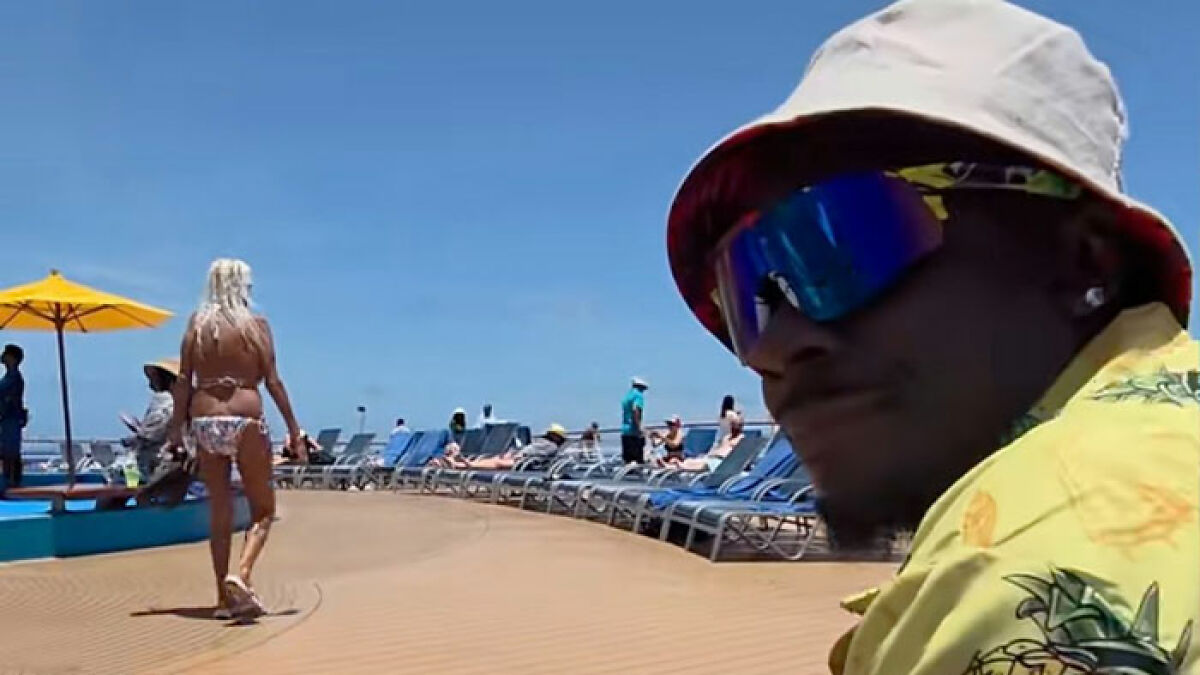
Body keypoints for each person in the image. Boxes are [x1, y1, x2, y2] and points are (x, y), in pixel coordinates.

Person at [664, 2, 1197, 672]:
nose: (770, 347)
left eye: (846, 238)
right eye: (745, 293)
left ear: (1083, 261)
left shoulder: (1030, 571)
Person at [167, 259, 306, 621]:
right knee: (263, 509)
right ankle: (241, 575)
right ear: (242, 286)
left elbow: (183, 381)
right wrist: (294, 429)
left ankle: (221, 600)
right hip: (245, 420)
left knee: (220, 511)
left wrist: (175, 429)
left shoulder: (196, 326)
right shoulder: (255, 327)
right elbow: (273, 381)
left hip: (204, 421)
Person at [121, 359, 179, 482]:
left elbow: (149, 436)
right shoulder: (185, 402)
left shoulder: (164, 401)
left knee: (114, 481)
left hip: (156, 463)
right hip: (173, 462)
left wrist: (136, 435)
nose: (150, 384)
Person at [441, 423, 568, 470]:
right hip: (523, 461)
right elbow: (529, 450)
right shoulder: (545, 443)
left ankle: (463, 464)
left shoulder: (551, 446)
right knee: (494, 460)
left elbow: (533, 454)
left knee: (497, 462)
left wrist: (517, 455)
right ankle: (461, 464)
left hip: (526, 464)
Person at [673, 414, 745, 472]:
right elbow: (719, 448)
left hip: (723, 461)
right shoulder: (727, 437)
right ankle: (672, 466)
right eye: (732, 424)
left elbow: (738, 456)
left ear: (741, 426)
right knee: (689, 461)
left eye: (735, 425)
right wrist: (709, 454)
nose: (733, 427)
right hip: (713, 457)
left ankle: (683, 468)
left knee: (704, 464)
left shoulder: (741, 438)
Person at [0, 344, 26, 488]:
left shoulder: (15, 378)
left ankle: (13, 482)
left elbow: (11, 400)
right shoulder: (8, 378)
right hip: (7, 419)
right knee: (6, 452)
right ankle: (8, 481)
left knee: (10, 452)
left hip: (10, 419)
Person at [619, 377, 648, 464]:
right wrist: (639, 427)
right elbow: (635, 410)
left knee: (628, 460)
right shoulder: (638, 395)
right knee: (637, 461)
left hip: (625, 431)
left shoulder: (627, 396)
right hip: (633, 432)